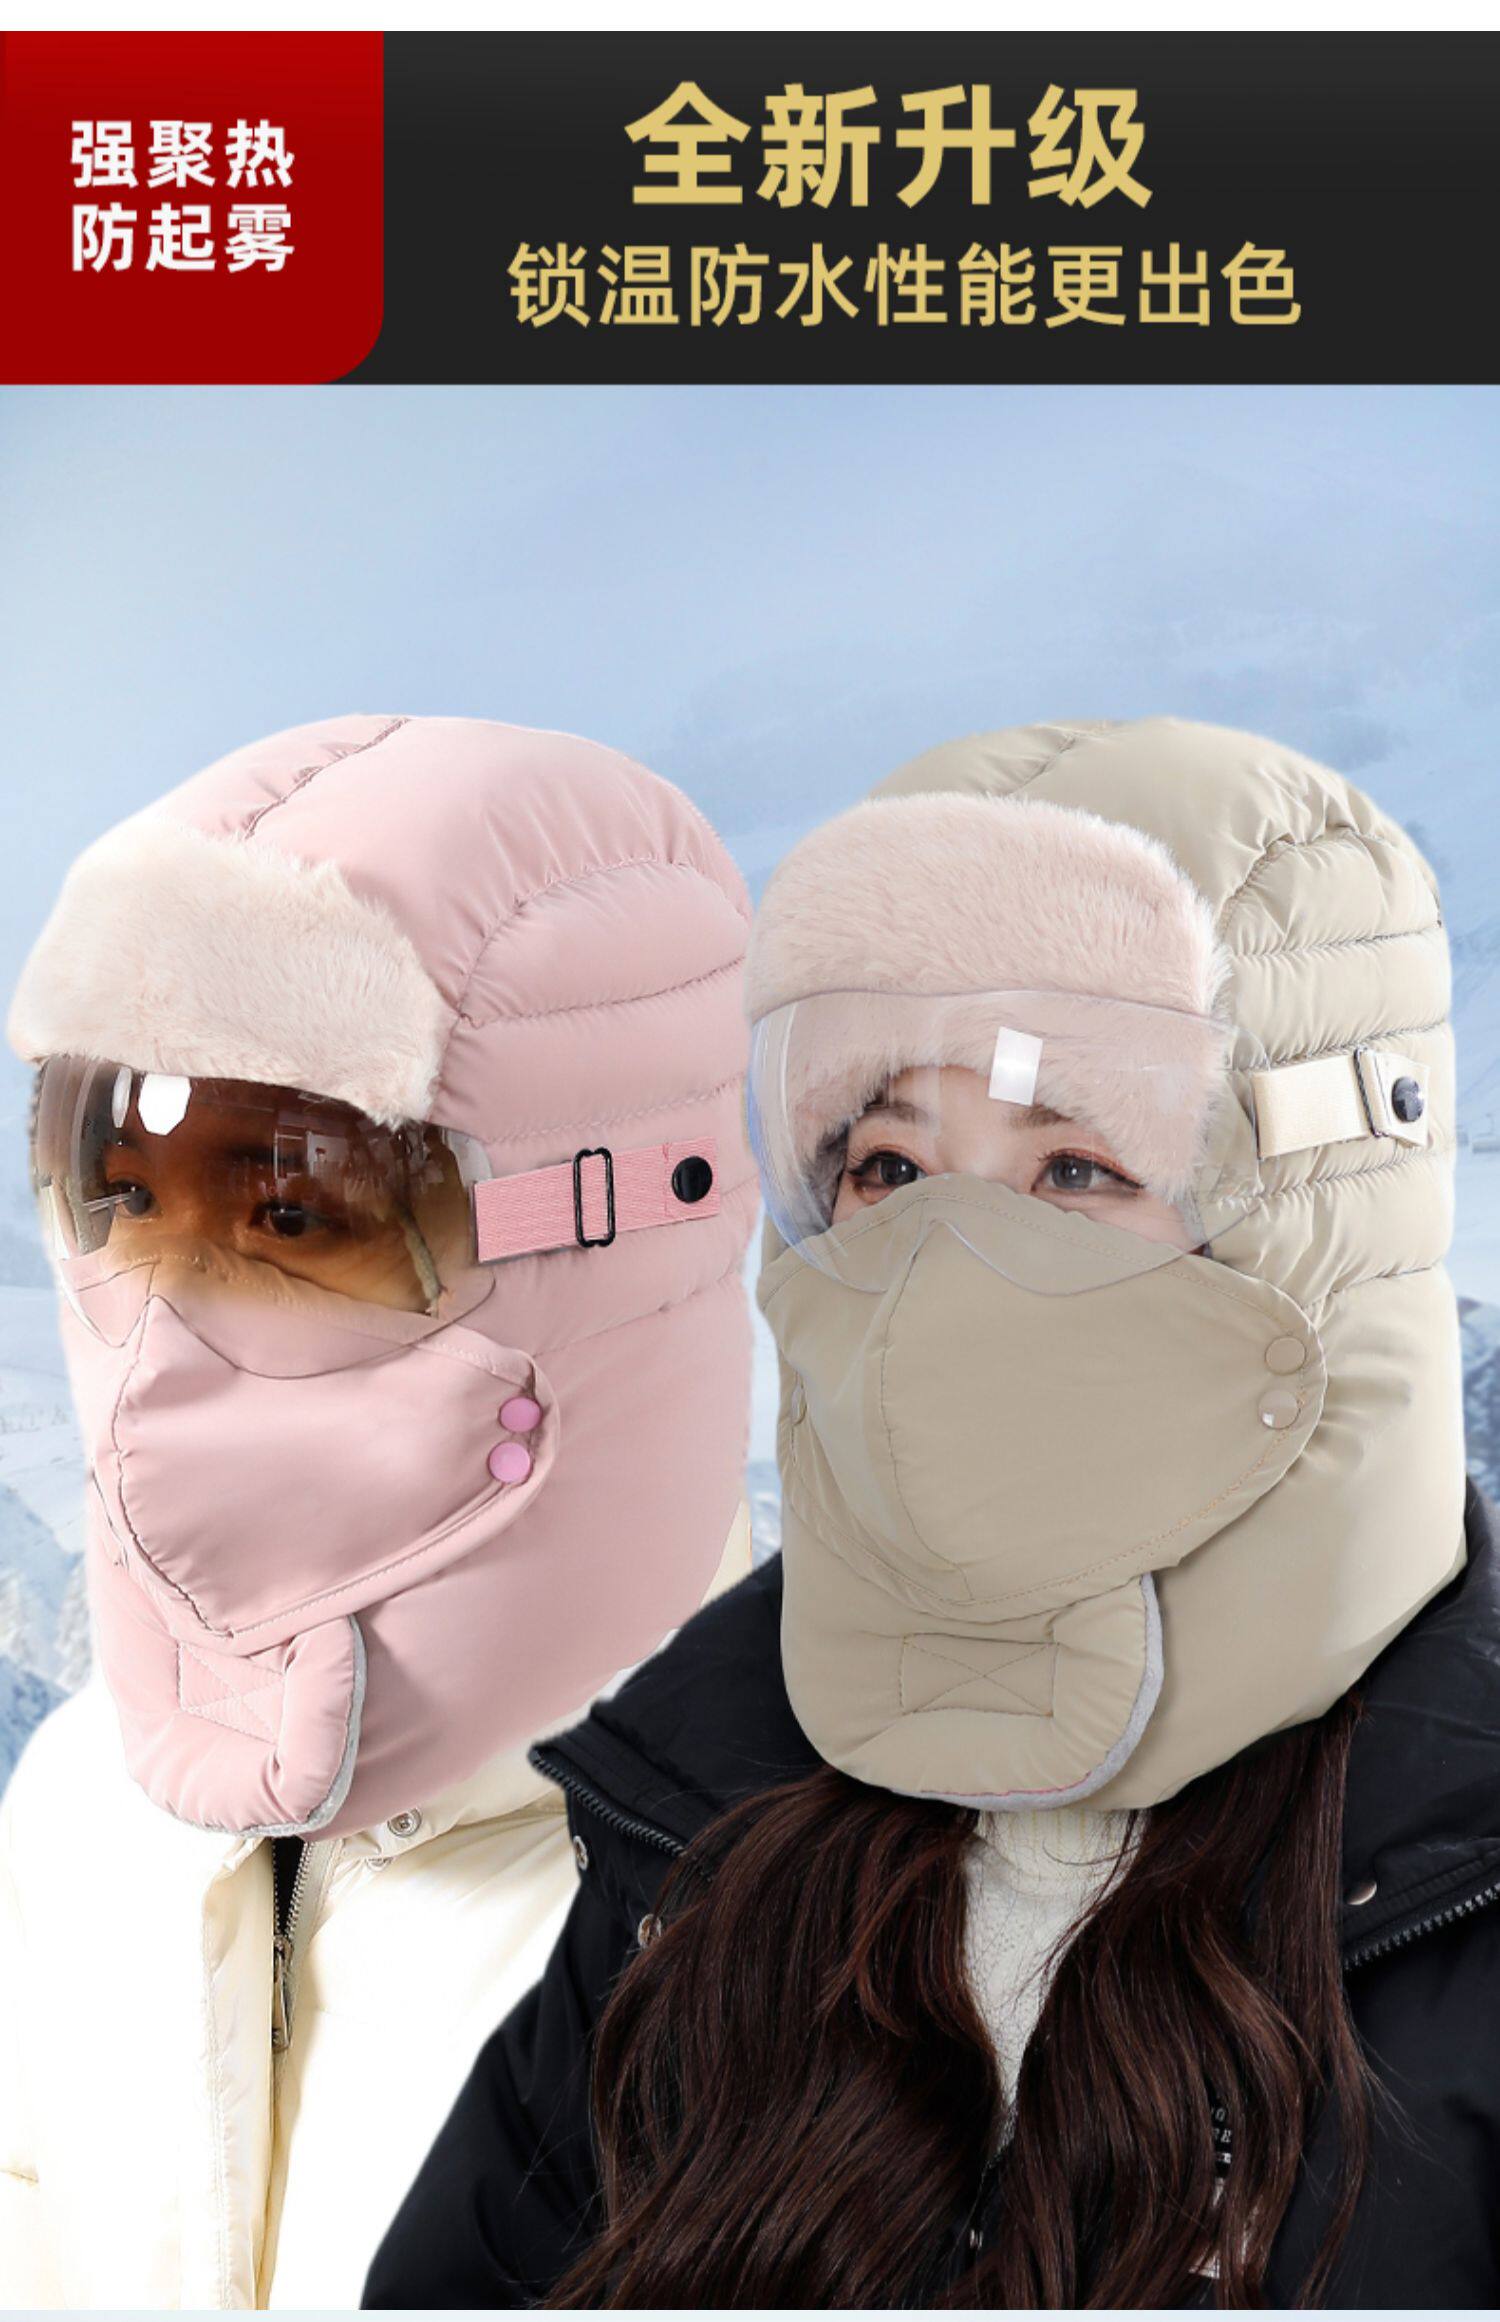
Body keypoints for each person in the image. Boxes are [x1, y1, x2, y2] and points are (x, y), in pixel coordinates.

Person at [365, 714, 1498, 2311]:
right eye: (891, 1170)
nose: (950, 1264)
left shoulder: (1461, 1876)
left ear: (1311, 1206)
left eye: (1074, 1169)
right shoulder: (706, 1804)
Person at [0, 712, 758, 2309]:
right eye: (118, 1196)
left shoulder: (809, 1926)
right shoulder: (80, 1821)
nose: (160, 1330)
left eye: (292, 1216)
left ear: (625, 1223)